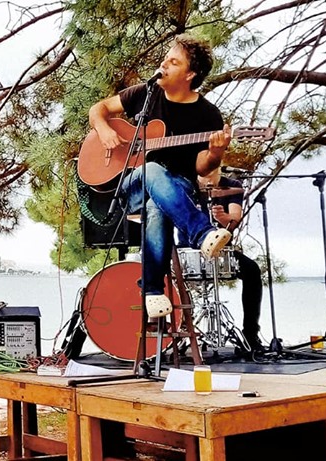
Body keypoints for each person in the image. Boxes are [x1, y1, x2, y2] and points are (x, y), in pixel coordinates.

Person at [88, 34, 232, 319]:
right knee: (152, 170)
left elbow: (202, 168)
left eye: (174, 62)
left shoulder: (207, 115)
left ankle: (152, 291)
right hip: (132, 185)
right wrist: (104, 130)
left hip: (178, 187)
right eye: (166, 58)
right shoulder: (146, 93)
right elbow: (98, 109)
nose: (164, 64)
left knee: (157, 207)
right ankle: (202, 233)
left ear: (190, 74)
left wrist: (216, 153)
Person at [197, 168, 265, 352]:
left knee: (252, 270)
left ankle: (251, 334)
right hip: (191, 250)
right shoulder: (187, 185)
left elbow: (235, 219)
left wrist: (223, 218)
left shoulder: (232, 186)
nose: (209, 179)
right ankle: (176, 332)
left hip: (222, 250)